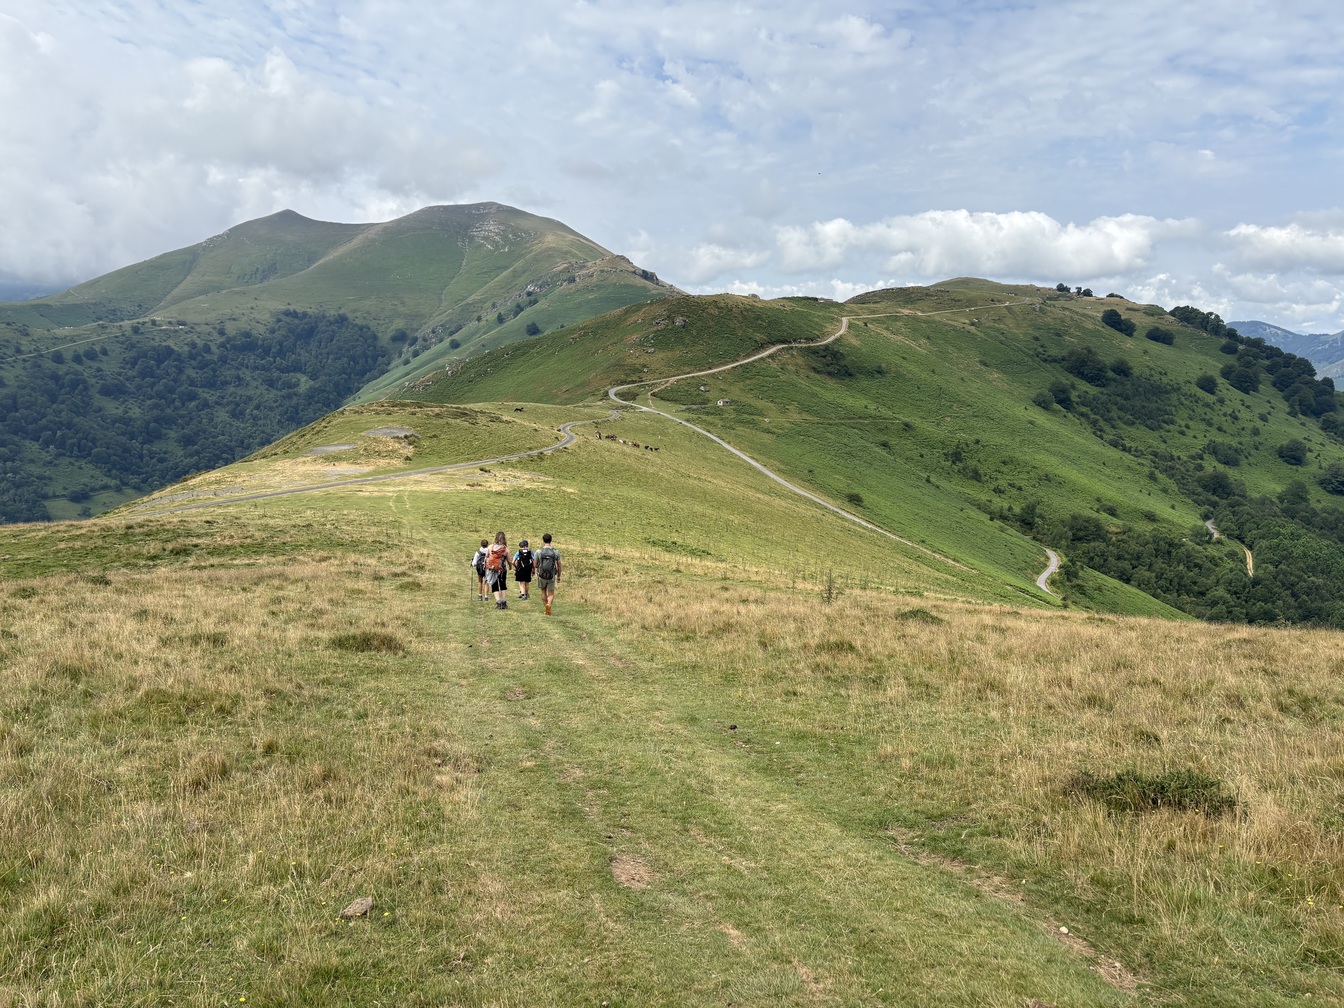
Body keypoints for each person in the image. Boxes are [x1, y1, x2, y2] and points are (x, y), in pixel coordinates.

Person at [484, 531, 514, 609]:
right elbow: (509, 560)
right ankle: (503, 602)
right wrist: (510, 566)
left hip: (492, 569)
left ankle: (498, 602)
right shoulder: (505, 549)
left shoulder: (490, 547)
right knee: (503, 585)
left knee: (494, 585)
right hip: (502, 570)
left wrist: (485, 566)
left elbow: (486, 557)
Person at [535, 533, 561, 616]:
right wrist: (559, 576)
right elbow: (559, 565)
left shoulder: (539, 552)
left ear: (543, 540)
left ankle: (546, 607)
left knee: (543, 590)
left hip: (541, 575)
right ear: (551, 540)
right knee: (551, 593)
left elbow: (535, 564)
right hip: (551, 575)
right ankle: (548, 605)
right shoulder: (556, 552)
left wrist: (537, 569)